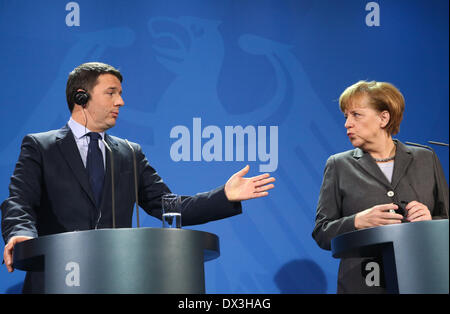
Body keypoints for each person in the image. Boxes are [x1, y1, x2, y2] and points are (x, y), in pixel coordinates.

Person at [1, 62, 276, 293]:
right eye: (111, 93)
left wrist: (223, 196)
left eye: (119, 93)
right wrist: (20, 232)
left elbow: (170, 206)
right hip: (57, 281)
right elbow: (19, 201)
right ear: (81, 97)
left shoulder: (129, 153)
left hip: (119, 282)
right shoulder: (41, 146)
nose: (120, 101)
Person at [312, 80, 448, 294]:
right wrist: (357, 221)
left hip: (422, 280)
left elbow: (446, 221)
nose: (347, 123)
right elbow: (322, 233)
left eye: (356, 115)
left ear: (384, 118)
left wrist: (430, 221)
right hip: (362, 284)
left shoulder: (426, 158)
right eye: (345, 116)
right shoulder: (338, 165)